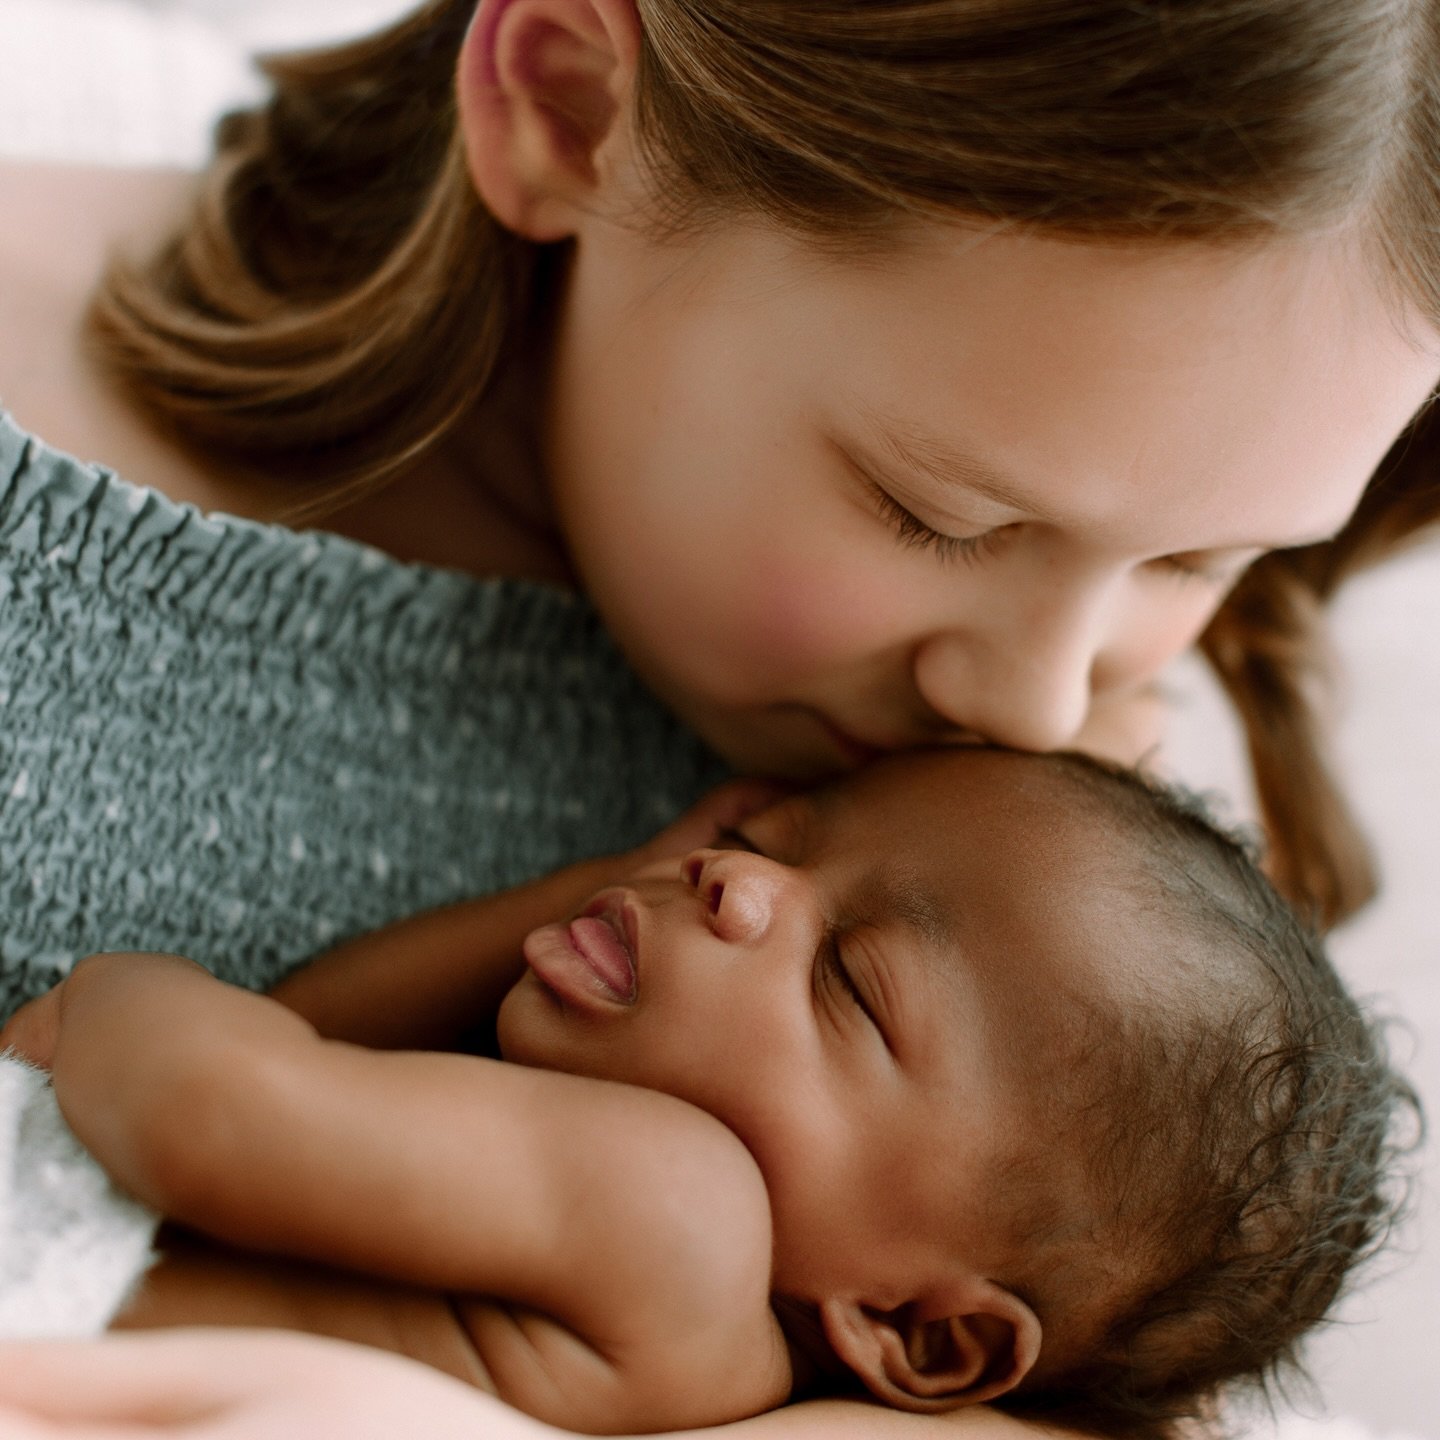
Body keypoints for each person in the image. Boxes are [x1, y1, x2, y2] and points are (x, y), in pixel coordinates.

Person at [1, 0, 1439, 1436]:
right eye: (936, 514)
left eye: (1203, 561)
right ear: (567, 109)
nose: (1037, 702)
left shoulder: (1027, 871)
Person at [0, 747, 1414, 1438]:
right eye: (773, 839)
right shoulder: (689, 1343)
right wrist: (575, 904)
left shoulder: (682, 1214)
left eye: (850, 980)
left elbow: (217, 1107)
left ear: (920, 1339)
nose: (733, 883)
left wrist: (117, 991)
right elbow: (303, 1044)